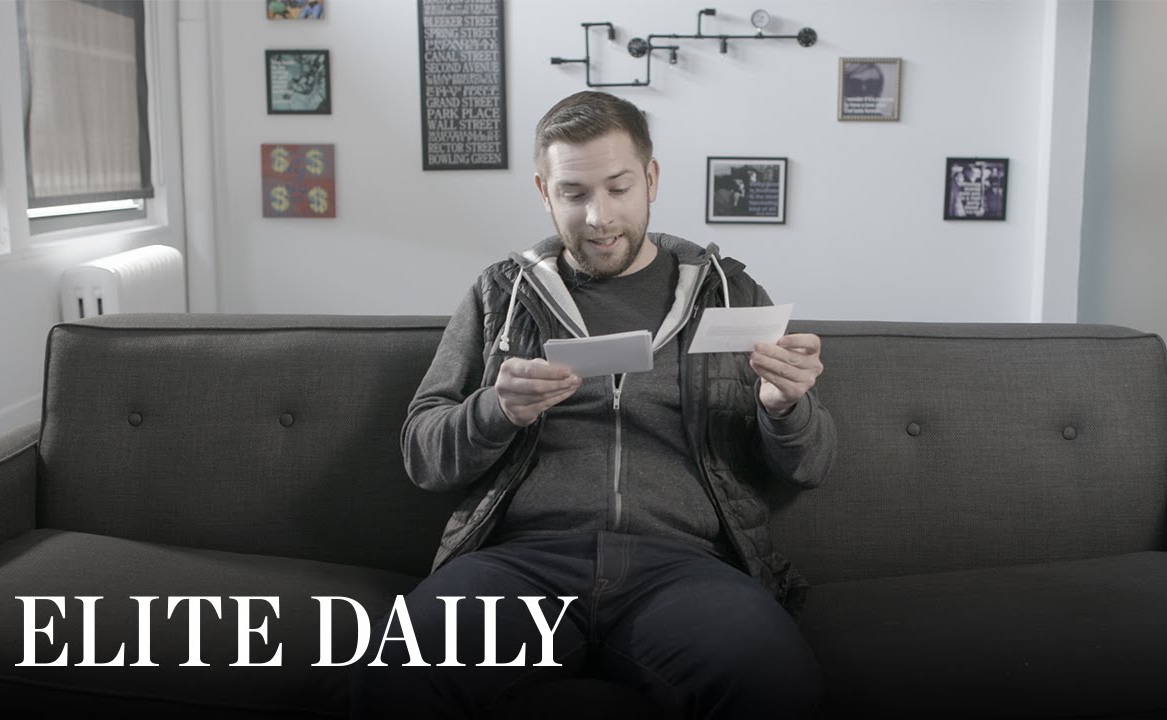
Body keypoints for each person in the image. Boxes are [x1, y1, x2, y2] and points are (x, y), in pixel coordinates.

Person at [351, 91, 837, 718]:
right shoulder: (500, 294)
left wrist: (784, 408)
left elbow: (810, 466)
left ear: (651, 180)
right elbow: (423, 456)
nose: (598, 217)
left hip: (686, 569)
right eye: (573, 193)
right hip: (520, 566)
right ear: (544, 192)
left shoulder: (729, 292)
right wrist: (497, 411)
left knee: (778, 684)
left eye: (618, 188)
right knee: (395, 676)